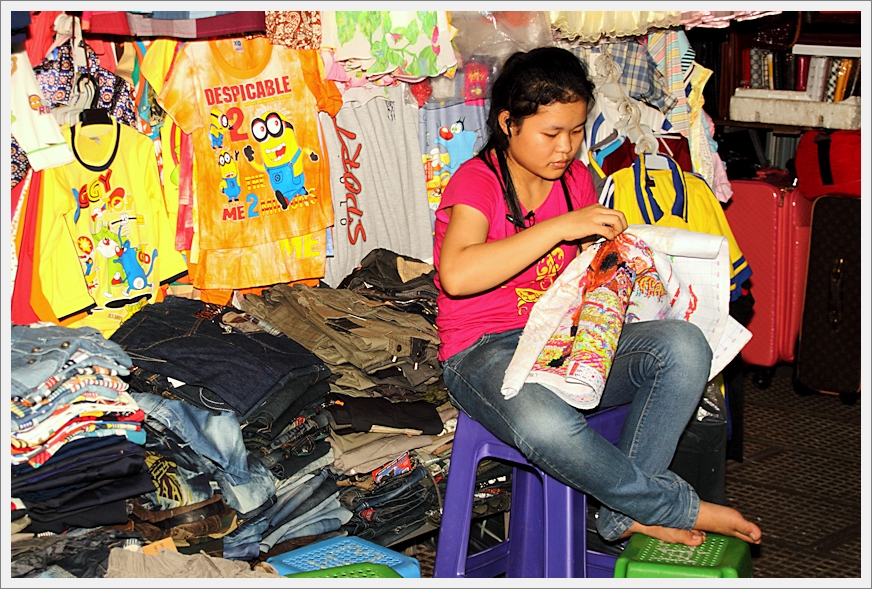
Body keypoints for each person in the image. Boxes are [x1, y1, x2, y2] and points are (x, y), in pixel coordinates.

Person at [433, 46, 762, 548]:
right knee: (549, 423)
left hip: (566, 343)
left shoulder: (577, 180)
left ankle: (618, 514)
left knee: (684, 345)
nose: (566, 147)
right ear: (507, 123)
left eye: (576, 131)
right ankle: (667, 504)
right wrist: (562, 227)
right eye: (550, 133)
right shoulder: (478, 182)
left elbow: (591, 275)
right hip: (485, 351)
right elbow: (457, 275)